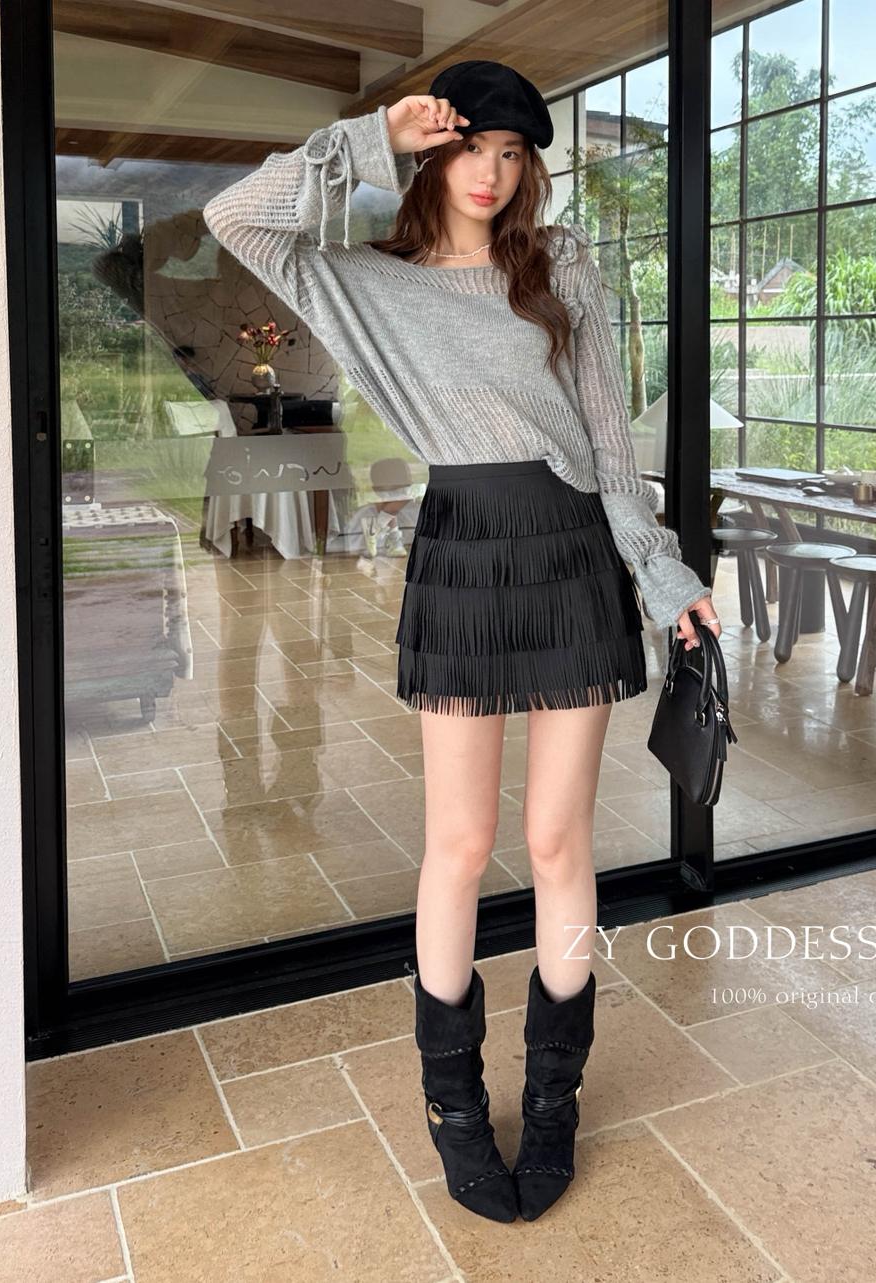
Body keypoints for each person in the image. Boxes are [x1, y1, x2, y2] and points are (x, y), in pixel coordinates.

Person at [203, 58, 721, 1225]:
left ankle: (553, 1096)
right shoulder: (365, 278)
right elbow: (236, 217)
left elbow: (607, 439)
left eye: (511, 152)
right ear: (432, 156)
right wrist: (371, 135)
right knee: (460, 839)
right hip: (466, 556)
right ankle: (451, 1101)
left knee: (557, 838)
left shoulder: (560, 264)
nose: (491, 172)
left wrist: (661, 569)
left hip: (574, 552)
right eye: (470, 147)